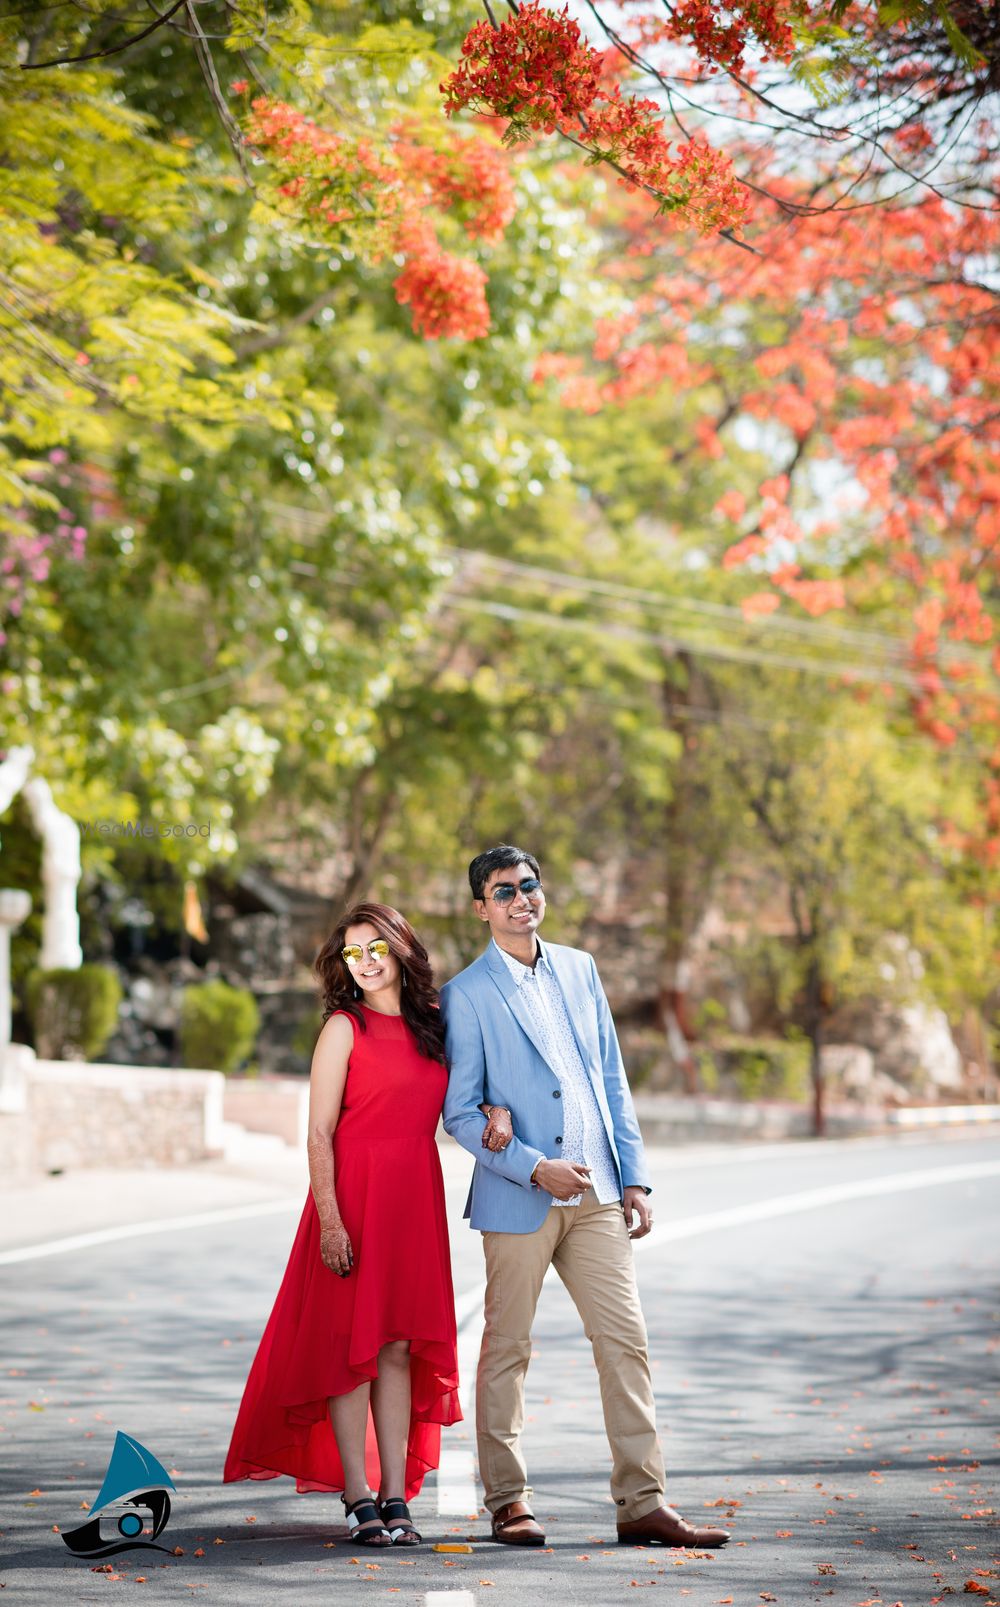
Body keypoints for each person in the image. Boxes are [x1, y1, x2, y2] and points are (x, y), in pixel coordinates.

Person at [440, 845, 730, 1551]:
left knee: (626, 1340)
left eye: (529, 885)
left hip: (599, 1191)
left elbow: (611, 1075)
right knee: (507, 1346)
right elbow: (459, 1112)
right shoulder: (468, 992)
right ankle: (508, 1500)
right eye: (503, 890)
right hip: (523, 1197)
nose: (521, 899)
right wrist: (535, 1167)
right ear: (482, 906)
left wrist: (633, 1173)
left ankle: (642, 1500)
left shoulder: (580, 967)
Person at [223, 902, 465, 1548]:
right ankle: (358, 1492)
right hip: (353, 1198)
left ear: (401, 946)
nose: (366, 961)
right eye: (353, 952)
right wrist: (330, 1220)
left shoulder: (435, 1025)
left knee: (396, 1347)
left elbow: (465, 1094)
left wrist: (494, 1110)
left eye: (376, 947)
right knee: (350, 1352)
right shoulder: (343, 1026)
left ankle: (395, 1491)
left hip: (415, 1198)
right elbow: (319, 1132)